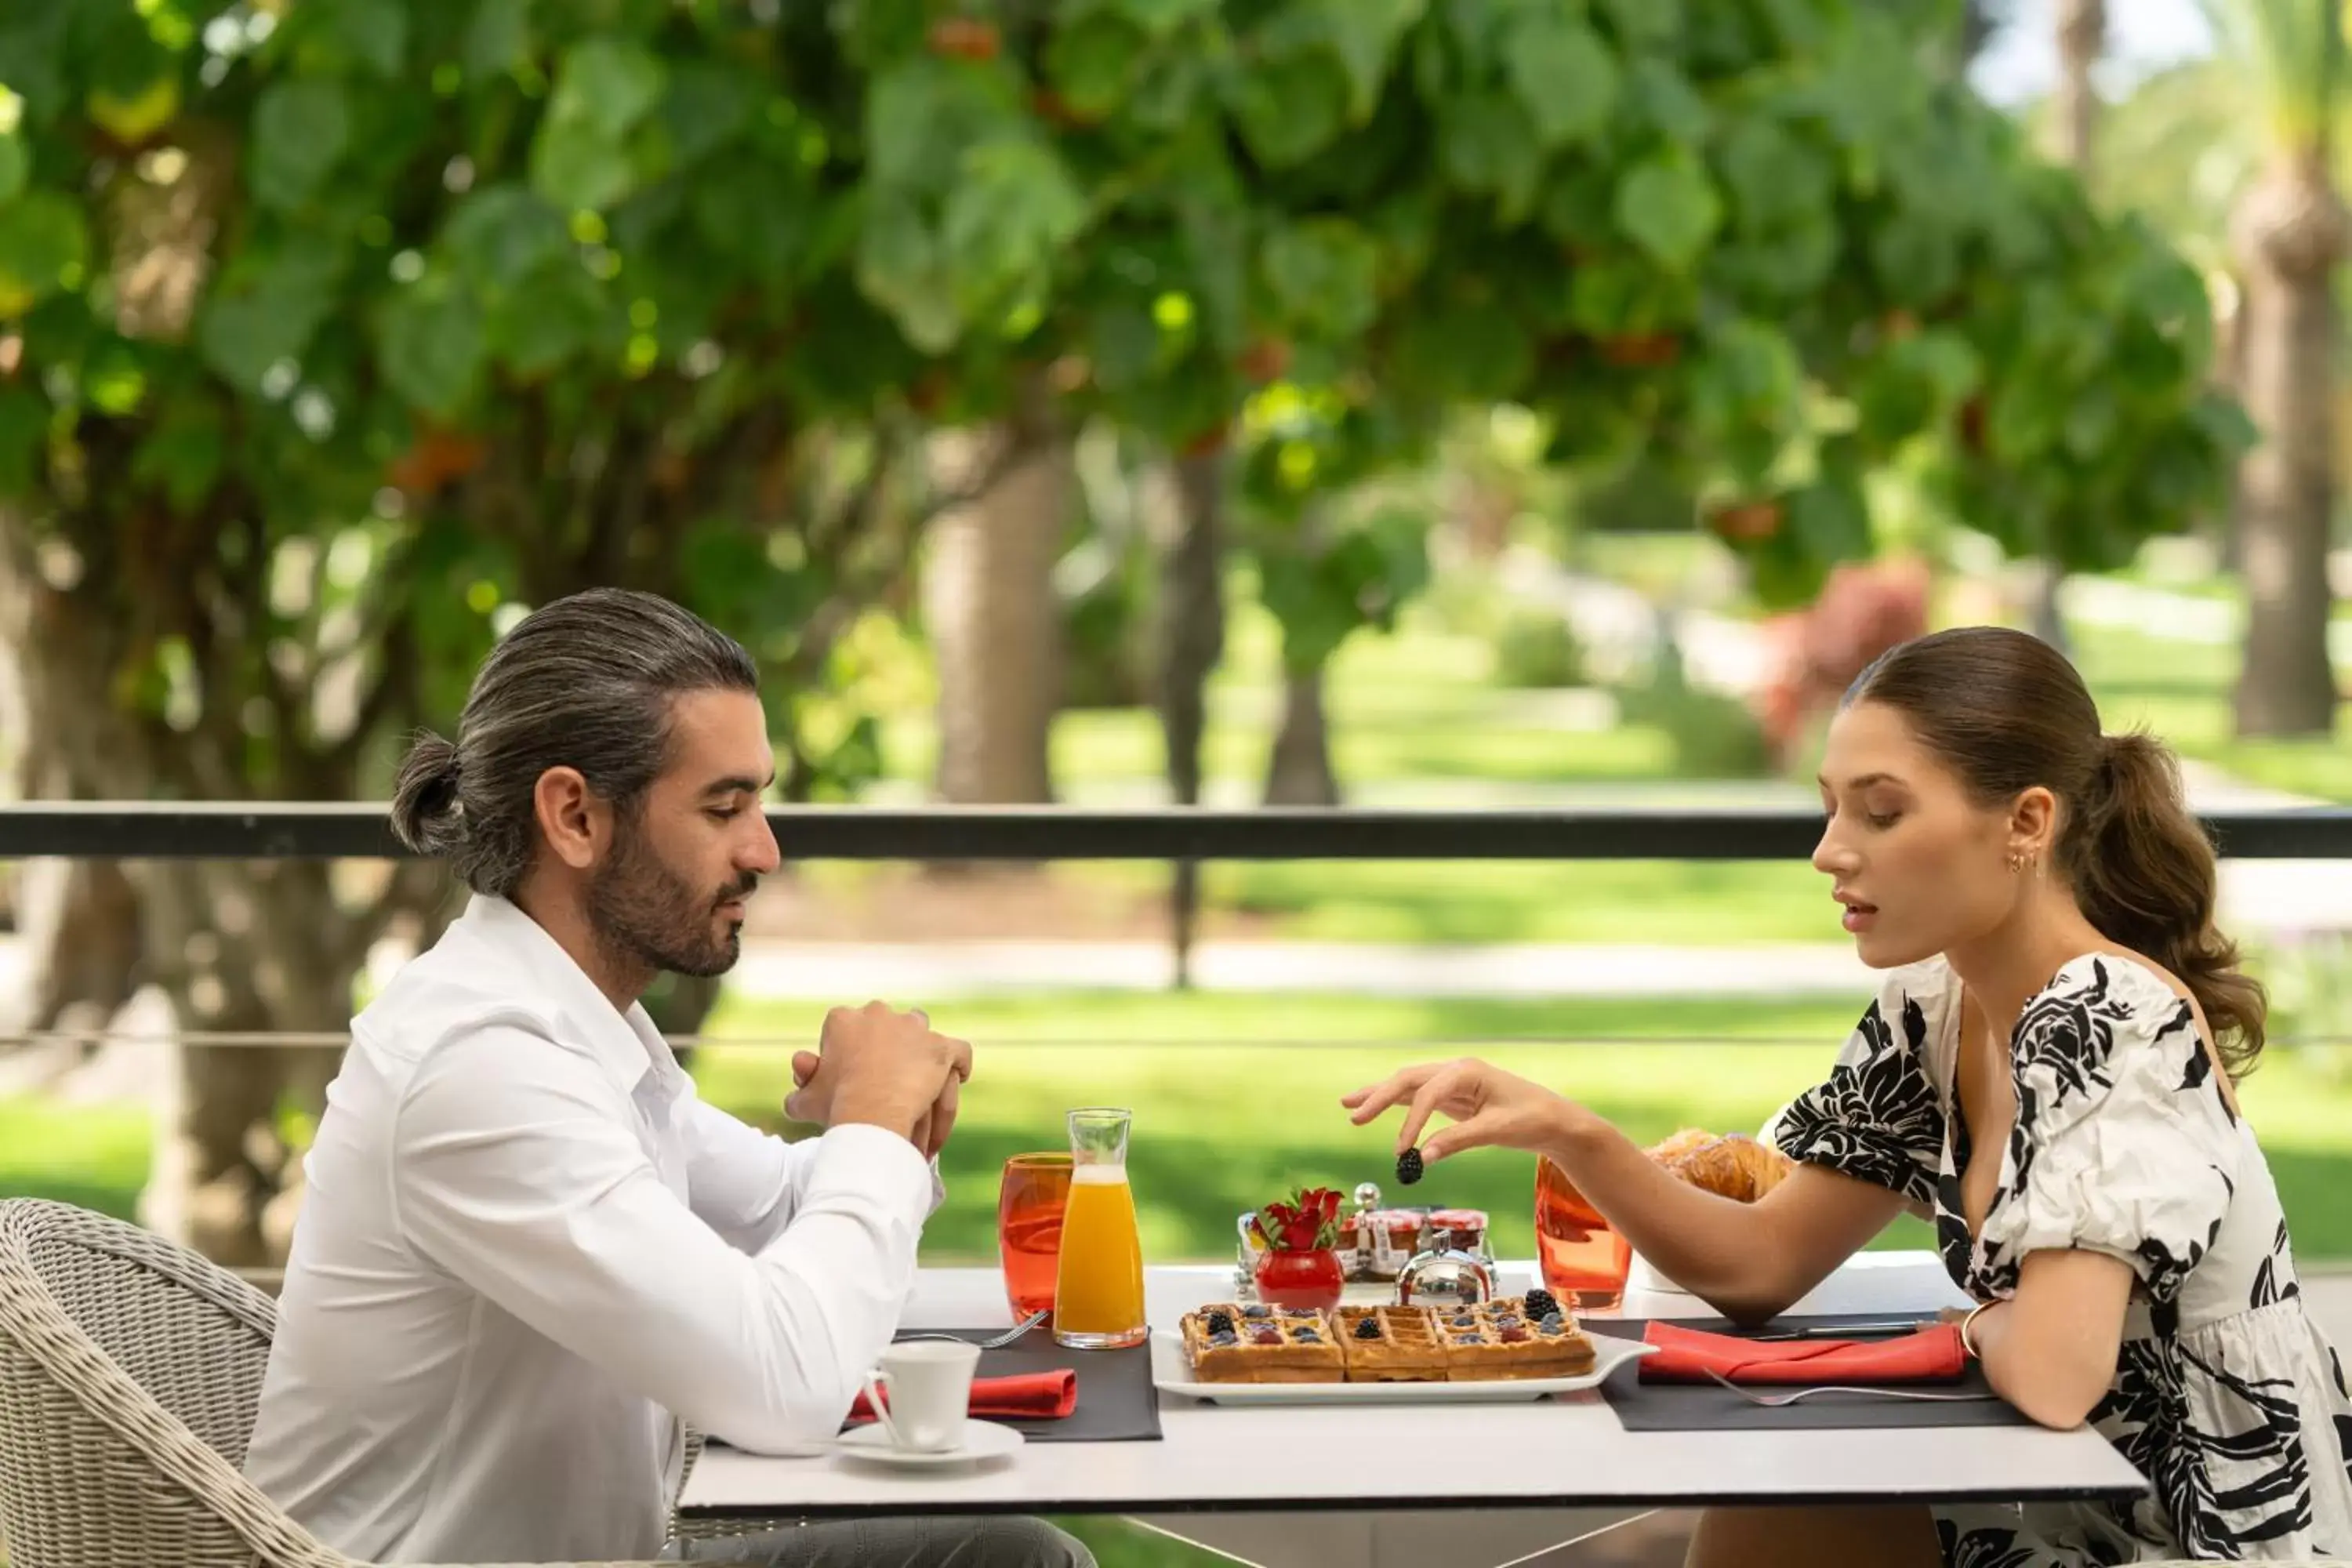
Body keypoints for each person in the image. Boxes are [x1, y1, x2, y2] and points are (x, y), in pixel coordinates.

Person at [1345, 626, 2352, 1566]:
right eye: (1830, 806)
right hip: (2056, 1500)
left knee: (1785, 1508)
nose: (1830, 849)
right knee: (1776, 1510)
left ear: (2027, 822)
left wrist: (1972, 1330)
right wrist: (1569, 1131)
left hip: (2201, 1538)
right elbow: (1761, 1261)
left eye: (1881, 811)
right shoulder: (1938, 1002)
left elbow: (2052, 1373)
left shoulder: (2107, 1013)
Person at [245, 588, 1091, 1568]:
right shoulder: (478, 1067)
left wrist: (884, 1120)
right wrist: (867, 1122)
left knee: (1010, 1552)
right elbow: (789, 1385)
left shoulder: (576, 1026)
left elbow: (776, 1206)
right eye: (723, 806)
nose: (765, 849)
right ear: (574, 814)